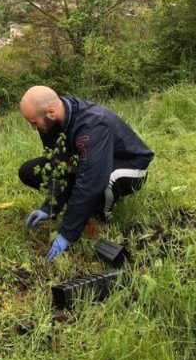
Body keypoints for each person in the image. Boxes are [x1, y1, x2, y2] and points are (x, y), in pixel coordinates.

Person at [17, 86, 154, 262]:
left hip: (130, 166)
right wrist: (49, 207)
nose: (32, 128)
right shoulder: (50, 125)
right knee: (30, 171)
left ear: (50, 112)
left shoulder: (93, 123)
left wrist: (67, 233)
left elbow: (91, 181)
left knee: (103, 182)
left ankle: (102, 216)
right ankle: (83, 208)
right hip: (92, 163)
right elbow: (60, 166)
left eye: (34, 122)